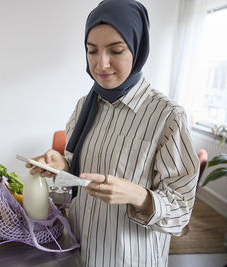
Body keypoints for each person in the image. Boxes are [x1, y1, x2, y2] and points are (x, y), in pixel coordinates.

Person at [26, 0, 200, 266]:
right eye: (92, 51)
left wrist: (137, 195)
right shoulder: (86, 105)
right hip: (79, 249)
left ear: (137, 48)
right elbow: (79, 171)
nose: (101, 64)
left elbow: (181, 212)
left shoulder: (168, 117)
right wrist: (61, 165)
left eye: (116, 50)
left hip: (130, 258)